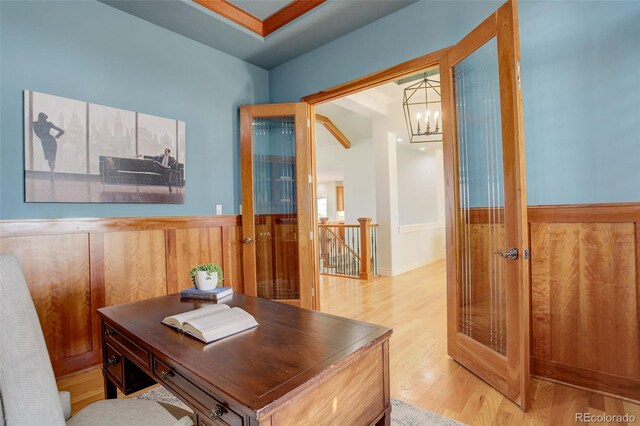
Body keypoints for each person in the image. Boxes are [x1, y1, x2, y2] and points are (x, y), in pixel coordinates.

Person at [32, 112, 64, 180]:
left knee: (50, 158)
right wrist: (56, 137)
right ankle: (52, 173)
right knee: (51, 158)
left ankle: (52, 173)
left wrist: (42, 137)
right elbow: (61, 131)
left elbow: (38, 133)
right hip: (51, 141)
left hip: (46, 142)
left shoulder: (36, 124)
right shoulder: (47, 124)